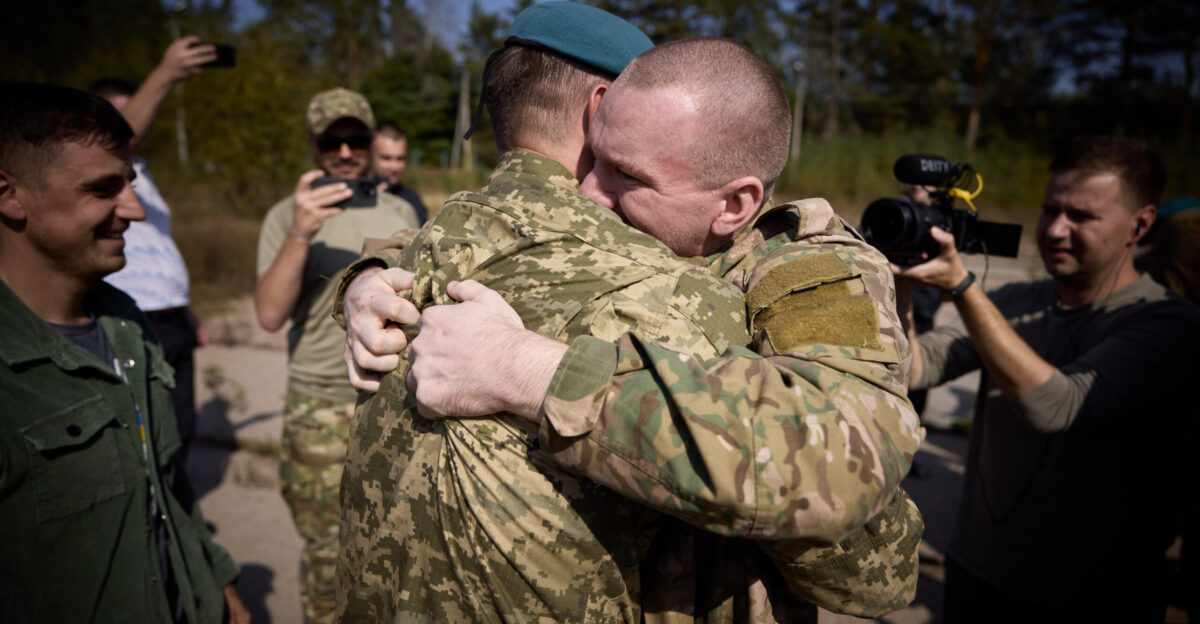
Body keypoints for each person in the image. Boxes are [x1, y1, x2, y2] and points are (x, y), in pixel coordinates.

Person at [336, 7, 921, 621]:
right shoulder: (615, 235)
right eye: (597, 157)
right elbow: (470, 233)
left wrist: (527, 370)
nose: (587, 195)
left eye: (626, 175)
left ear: (735, 204)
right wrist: (367, 279)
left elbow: (876, 565)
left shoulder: (808, 273)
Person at [891, 135, 1200, 622]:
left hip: (1094, 597)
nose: (1055, 229)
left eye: (1082, 216)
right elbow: (911, 368)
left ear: (1139, 225)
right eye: (1050, 209)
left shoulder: (1168, 322)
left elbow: (1055, 406)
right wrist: (903, 282)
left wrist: (962, 287)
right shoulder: (1017, 303)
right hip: (977, 571)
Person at [0, 82, 249, 624]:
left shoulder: (127, 322)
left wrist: (218, 580)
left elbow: (163, 480)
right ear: (9, 194)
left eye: (131, 184)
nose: (134, 210)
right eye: (102, 189)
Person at [253, 87, 419, 624]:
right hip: (319, 405)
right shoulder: (287, 215)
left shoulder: (400, 208)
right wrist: (302, 230)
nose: (344, 153)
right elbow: (269, 315)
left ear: (370, 143)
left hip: (386, 398)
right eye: (332, 142)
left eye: (355, 140)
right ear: (313, 145)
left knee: (392, 545)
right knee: (327, 551)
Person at [87, 36, 216, 462]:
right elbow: (118, 142)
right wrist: (164, 75)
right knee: (147, 440)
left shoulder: (142, 175)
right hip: (132, 318)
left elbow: (159, 246)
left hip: (172, 318)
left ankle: (178, 521)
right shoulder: (98, 174)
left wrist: (187, 309)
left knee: (181, 430)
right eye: (120, 115)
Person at [371, 120, 428, 224]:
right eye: (386, 158)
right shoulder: (353, 195)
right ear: (370, 156)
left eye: (400, 159)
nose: (394, 167)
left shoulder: (412, 199)